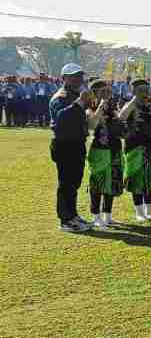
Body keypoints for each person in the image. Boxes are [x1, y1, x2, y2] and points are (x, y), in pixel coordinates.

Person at [50, 64, 92, 232]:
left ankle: (73, 215)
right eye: (73, 76)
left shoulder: (76, 95)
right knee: (66, 183)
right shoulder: (60, 97)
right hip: (64, 144)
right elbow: (62, 119)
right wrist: (80, 102)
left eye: (79, 76)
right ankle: (65, 220)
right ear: (64, 78)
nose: (77, 79)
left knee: (74, 183)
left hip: (77, 143)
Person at [119, 79, 151, 221]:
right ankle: (139, 212)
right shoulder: (130, 105)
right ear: (134, 91)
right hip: (135, 145)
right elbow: (122, 117)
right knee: (137, 178)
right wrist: (134, 100)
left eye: (146, 90)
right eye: (140, 90)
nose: (144, 93)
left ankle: (148, 211)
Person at [85, 80, 124, 228]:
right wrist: (101, 105)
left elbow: (121, 120)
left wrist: (114, 109)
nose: (106, 93)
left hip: (114, 147)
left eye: (107, 91)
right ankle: (96, 216)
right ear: (94, 93)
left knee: (112, 181)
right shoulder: (90, 107)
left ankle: (107, 215)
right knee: (98, 183)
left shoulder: (112, 107)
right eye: (102, 91)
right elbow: (92, 124)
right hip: (100, 149)